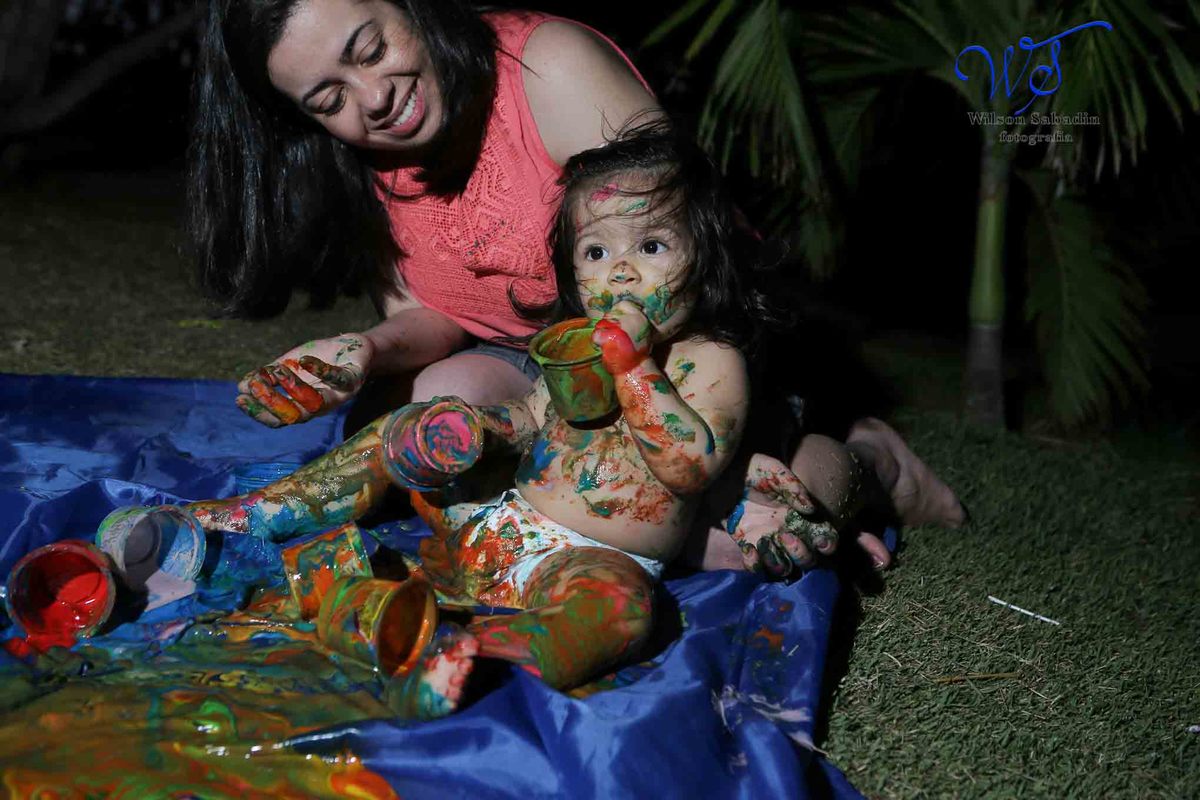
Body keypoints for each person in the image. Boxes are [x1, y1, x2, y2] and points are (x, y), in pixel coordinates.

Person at [189, 0, 964, 580]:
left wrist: (650, 417)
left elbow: (685, 254)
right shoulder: (362, 161)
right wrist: (366, 350)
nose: (373, 97)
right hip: (553, 370)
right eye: (329, 100)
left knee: (745, 523)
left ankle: (874, 463)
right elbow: (434, 318)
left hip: (696, 349)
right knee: (438, 401)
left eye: (371, 48)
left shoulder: (548, 66)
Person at [188, 125, 838, 717]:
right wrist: (474, 431)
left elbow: (689, 465)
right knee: (414, 424)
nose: (620, 268)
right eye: (594, 251)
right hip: (498, 524)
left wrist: (635, 366)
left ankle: (470, 654)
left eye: (651, 244)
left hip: (597, 559)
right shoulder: (572, 338)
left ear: (707, 254)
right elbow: (533, 418)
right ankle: (254, 516)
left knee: (621, 616)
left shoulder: (711, 360)